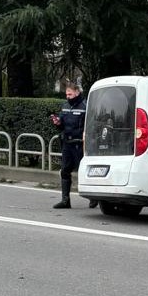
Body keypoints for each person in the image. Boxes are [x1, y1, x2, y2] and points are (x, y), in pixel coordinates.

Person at [50, 81, 94, 209]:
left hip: (80, 144)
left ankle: (93, 198)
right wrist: (57, 123)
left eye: (70, 94)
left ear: (77, 93)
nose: (67, 97)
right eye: (66, 94)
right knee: (64, 171)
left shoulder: (85, 106)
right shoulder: (65, 106)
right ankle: (65, 200)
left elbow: (90, 125)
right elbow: (62, 125)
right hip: (67, 143)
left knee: (85, 172)